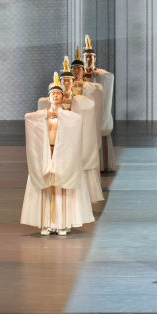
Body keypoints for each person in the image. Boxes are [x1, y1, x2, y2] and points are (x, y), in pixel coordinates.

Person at [21, 73, 93, 236]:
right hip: (47, 154)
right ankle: (47, 223)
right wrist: (45, 115)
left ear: (62, 97)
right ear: (49, 97)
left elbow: (77, 120)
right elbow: (28, 117)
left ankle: (62, 223)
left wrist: (61, 115)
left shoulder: (68, 116)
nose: (55, 96)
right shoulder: (42, 115)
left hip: (62, 156)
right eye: (52, 93)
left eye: (58, 93)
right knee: (46, 187)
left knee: (61, 187)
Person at [60, 56, 102, 205]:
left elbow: (90, 102)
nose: (77, 71)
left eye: (79, 69)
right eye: (74, 69)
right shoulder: (60, 92)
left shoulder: (86, 91)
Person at [83, 34, 117, 172]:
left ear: (95, 59)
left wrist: (99, 76)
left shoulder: (101, 73)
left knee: (103, 134)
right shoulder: (80, 75)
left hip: (99, 109)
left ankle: (105, 165)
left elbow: (109, 79)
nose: (89, 60)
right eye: (86, 57)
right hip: (86, 110)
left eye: (91, 57)